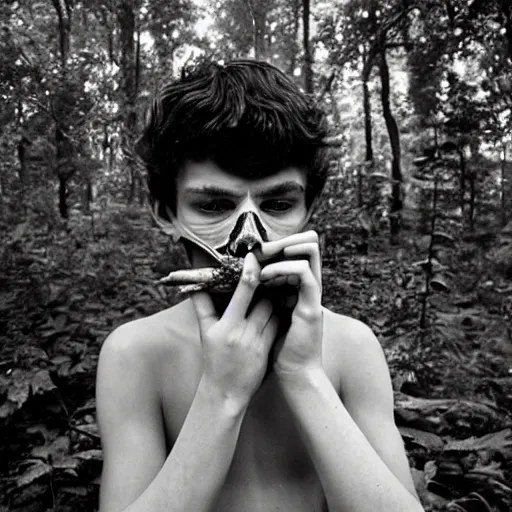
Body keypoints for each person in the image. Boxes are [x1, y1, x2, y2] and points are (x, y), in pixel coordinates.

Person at [95, 60, 424, 512]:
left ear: (307, 209)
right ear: (165, 212)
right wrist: (221, 393)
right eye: (212, 205)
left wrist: (305, 374)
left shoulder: (352, 347)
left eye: (278, 203)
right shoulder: (135, 354)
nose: (249, 235)